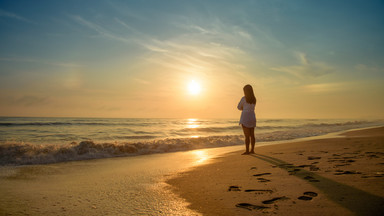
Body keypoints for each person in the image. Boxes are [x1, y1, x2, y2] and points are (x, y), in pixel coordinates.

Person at [237, 84, 256, 155]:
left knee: (247, 136)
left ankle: (247, 151)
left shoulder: (243, 98)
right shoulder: (254, 99)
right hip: (252, 117)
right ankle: (252, 150)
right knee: (252, 135)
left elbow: (238, 107)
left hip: (245, 117)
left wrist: (243, 108)